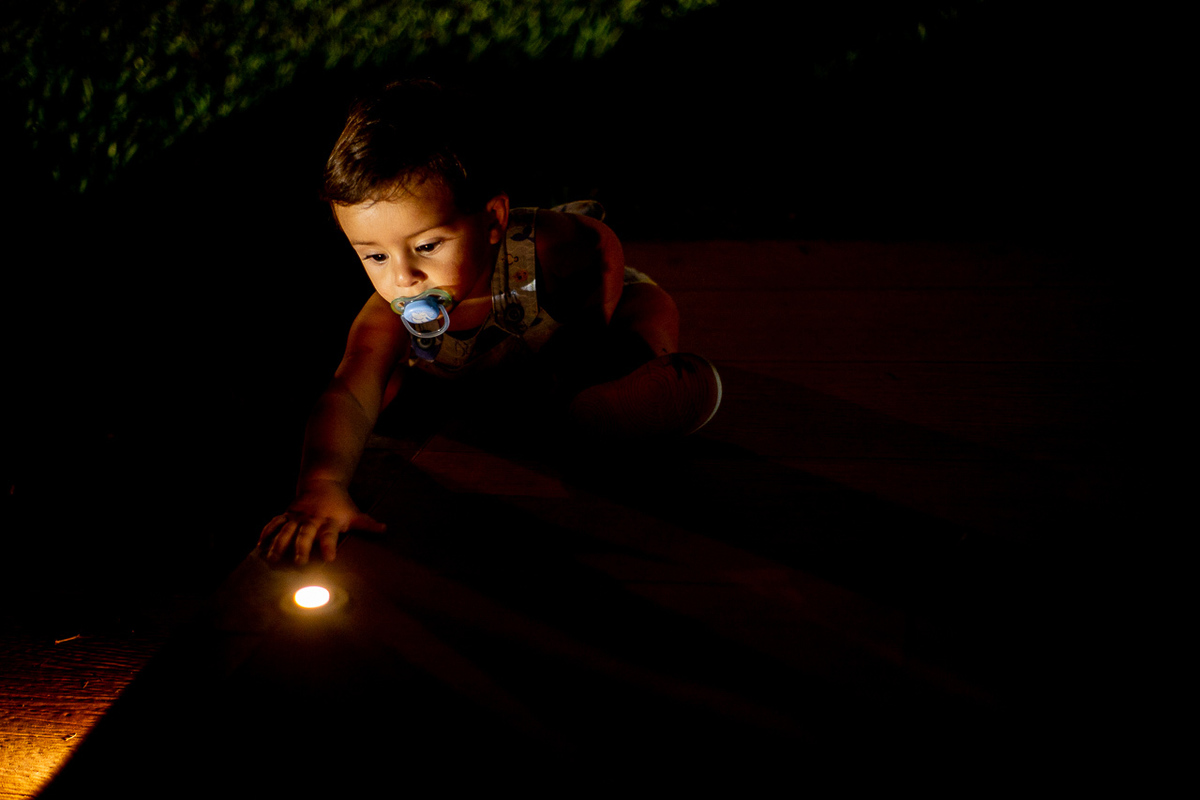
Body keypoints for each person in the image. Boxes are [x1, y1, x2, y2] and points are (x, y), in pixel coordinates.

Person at [259, 80, 721, 565]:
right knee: (388, 386)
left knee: (647, 306)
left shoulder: (540, 244)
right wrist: (322, 485)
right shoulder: (389, 318)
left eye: (428, 245)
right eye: (375, 256)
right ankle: (572, 409)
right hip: (487, 376)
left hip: (570, 335)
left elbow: (598, 241)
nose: (404, 277)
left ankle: (637, 382)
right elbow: (349, 391)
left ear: (493, 220)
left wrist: (593, 324)